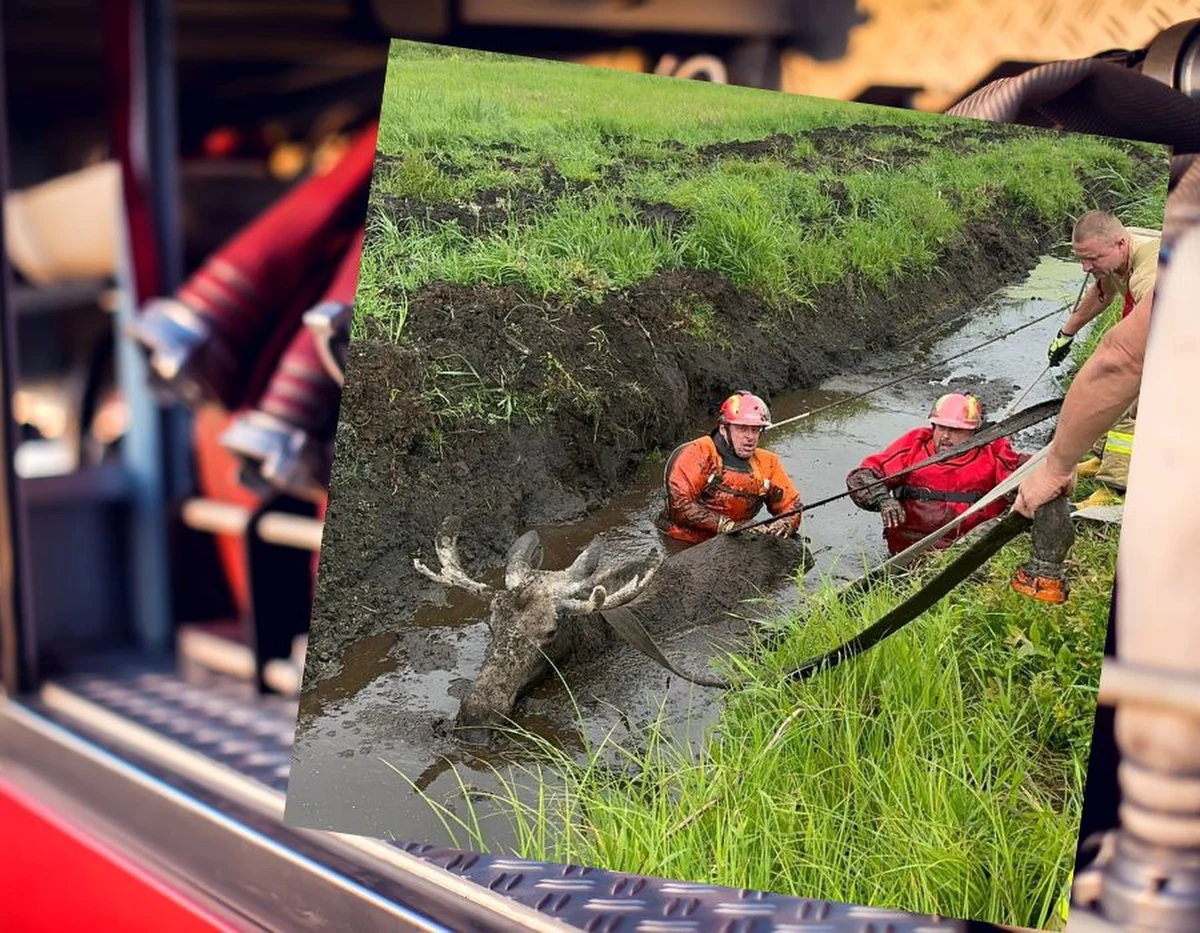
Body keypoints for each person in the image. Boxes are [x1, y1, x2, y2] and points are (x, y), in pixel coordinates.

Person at [1045, 210, 1160, 495]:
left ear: (1120, 244)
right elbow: (1103, 291)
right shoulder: (1117, 249)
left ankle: (1114, 489)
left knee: (1133, 399)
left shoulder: (1150, 272)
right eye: (1081, 259)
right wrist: (1067, 332)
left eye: (1092, 260)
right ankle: (1102, 455)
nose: (1086, 267)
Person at [846, 392, 1029, 556]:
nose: (945, 436)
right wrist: (883, 500)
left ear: (973, 431)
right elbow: (861, 477)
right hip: (907, 552)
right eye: (941, 428)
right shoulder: (915, 445)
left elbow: (1030, 479)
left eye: (955, 430)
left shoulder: (993, 451)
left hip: (968, 553)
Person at [654, 390, 802, 546]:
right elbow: (680, 507)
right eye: (742, 428)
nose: (750, 437)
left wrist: (785, 524)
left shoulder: (768, 463)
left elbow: (792, 506)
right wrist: (727, 525)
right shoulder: (698, 453)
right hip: (682, 540)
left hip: (735, 540)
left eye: (755, 429)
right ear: (724, 428)